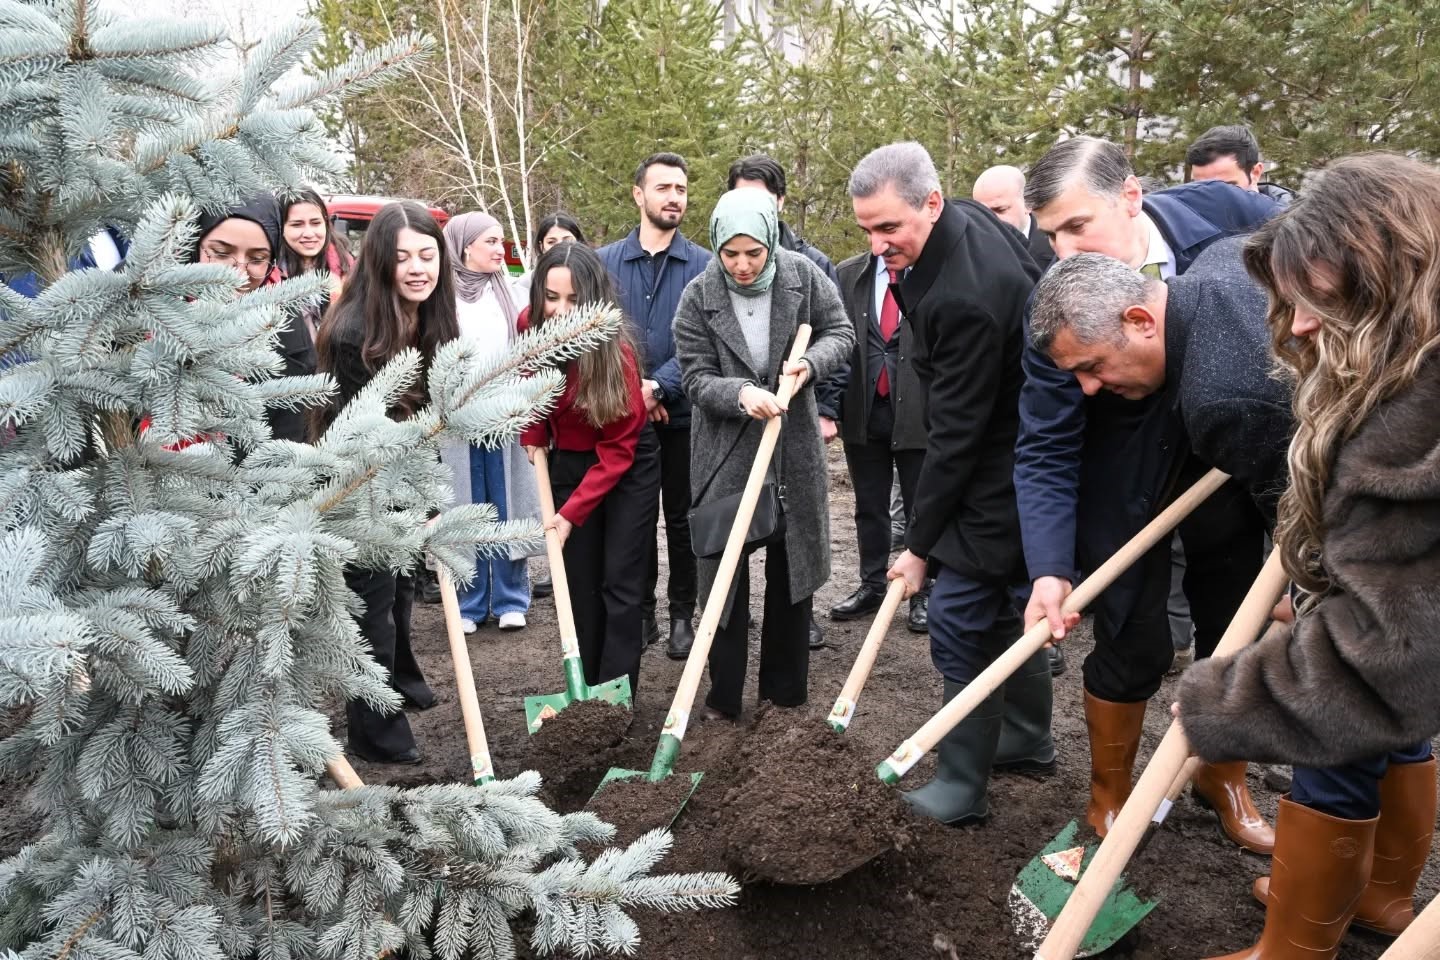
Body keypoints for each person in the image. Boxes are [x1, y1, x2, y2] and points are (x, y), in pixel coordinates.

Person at [1177, 153, 1440, 960]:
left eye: (1317, 297)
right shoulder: (1406, 374)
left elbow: (1378, 665)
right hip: (1410, 664)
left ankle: (1291, 950)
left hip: (1392, 664)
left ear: (1389, 272)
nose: (1294, 326)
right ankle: (1382, 897)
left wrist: (1218, 703)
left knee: (1347, 725)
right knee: (1391, 729)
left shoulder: (1414, 420)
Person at [1016, 136, 1279, 850]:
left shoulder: (1227, 215)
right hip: (1122, 483)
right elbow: (1044, 442)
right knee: (1132, 639)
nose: (1064, 251)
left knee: (1234, 628)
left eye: (1077, 226)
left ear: (1130, 198)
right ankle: (1110, 796)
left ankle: (1222, 776)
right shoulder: (1056, 302)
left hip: (1229, 466)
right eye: (1049, 235)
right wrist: (1049, 567)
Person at [850, 142, 1046, 824]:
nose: (877, 247)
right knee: (1004, 609)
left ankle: (961, 788)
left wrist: (920, 544)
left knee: (963, 617)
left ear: (930, 203)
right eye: (866, 231)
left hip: (1000, 468)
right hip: (1011, 450)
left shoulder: (965, 298)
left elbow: (953, 440)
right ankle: (1024, 736)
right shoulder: (958, 220)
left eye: (888, 229)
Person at [673, 189, 853, 719]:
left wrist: (810, 365)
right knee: (723, 577)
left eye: (754, 253)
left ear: (771, 242)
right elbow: (695, 377)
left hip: (792, 447)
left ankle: (783, 695)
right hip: (726, 453)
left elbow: (841, 333)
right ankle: (723, 698)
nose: (744, 265)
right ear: (717, 248)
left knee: (792, 570)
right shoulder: (698, 296)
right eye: (731, 254)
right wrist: (739, 394)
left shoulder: (802, 276)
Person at [313, 201, 456, 764]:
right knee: (370, 604)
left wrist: (427, 490)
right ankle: (374, 732)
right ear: (379, 264)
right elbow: (370, 431)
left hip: (403, 473)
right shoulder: (355, 332)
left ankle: (401, 679)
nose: (419, 268)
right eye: (404, 259)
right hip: (357, 482)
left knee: (399, 589)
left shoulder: (429, 316)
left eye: (428, 254)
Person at [520, 243, 658, 694]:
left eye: (575, 300)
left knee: (619, 580)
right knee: (578, 581)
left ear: (595, 300)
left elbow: (617, 452)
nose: (561, 311)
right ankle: (585, 692)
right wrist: (533, 434)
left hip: (625, 466)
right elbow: (532, 389)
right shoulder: (530, 328)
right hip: (569, 461)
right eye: (552, 297)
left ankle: (615, 692)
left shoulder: (616, 356)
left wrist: (569, 515)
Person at [598, 153, 711, 661]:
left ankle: (682, 614)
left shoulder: (706, 266)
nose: (674, 197)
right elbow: (597, 337)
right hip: (624, 418)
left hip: (686, 415)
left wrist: (660, 388)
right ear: (638, 195)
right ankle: (639, 612)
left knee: (685, 519)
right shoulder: (604, 264)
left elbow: (705, 343)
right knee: (633, 519)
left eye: (681, 189)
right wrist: (634, 392)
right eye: (663, 187)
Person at [727, 152, 843, 647]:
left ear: (779, 201)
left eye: (762, 197)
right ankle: (726, 627)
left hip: (795, 421)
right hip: (736, 428)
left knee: (795, 527)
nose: (744, 263)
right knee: (735, 530)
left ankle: (799, 617)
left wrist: (827, 406)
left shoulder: (811, 265)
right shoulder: (719, 268)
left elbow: (838, 335)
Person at [439, 211, 539, 634]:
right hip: (458, 421)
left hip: (505, 417)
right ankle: (469, 601)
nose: (501, 250)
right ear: (464, 248)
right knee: (467, 505)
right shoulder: (443, 298)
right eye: (491, 242)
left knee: (507, 503)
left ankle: (511, 597)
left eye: (502, 242)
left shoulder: (510, 294)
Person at [829, 244, 930, 636]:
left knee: (921, 505)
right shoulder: (847, 273)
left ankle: (922, 592)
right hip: (863, 407)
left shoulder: (927, 271)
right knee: (868, 506)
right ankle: (871, 583)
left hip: (917, 411)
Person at [972, 164, 1056, 272]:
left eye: (1000, 209)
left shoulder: (1058, 247)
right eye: (982, 211)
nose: (989, 219)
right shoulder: (971, 251)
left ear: (1028, 203)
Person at [1187, 123, 1296, 206]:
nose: (1211, 198)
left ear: (1255, 173)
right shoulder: (1183, 225)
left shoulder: (1301, 229)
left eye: (1225, 188)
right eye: (1198, 188)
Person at [514, 212, 586, 301]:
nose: (560, 246)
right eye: (551, 242)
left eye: (567, 240)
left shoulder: (593, 278)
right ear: (542, 247)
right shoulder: (526, 284)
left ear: (579, 242)